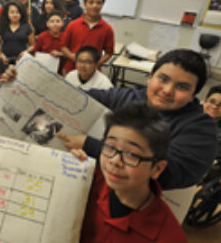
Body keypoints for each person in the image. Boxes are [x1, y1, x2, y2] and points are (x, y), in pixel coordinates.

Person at [2, 49, 217, 190]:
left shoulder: (200, 129)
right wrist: (21, 80)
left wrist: (92, 145)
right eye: (163, 79)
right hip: (91, 186)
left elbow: (169, 173)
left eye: (182, 87)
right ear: (150, 77)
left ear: (194, 95)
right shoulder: (130, 96)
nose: (167, 90)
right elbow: (73, 97)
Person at [72, 103, 187, 243]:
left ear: (157, 169)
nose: (114, 160)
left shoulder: (168, 237)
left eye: (132, 154)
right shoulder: (90, 180)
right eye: (109, 147)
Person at [61, 0, 114, 73]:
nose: (94, 6)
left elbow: (109, 52)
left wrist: (97, 62)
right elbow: (63, 46)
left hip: (93, 72)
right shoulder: (73, 25)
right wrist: (72, 56)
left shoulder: (107, 29)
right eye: (91, 2)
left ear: (102, 5)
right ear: (85, 4)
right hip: (71, 70)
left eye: (98, 3)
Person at [0, 0, 34, 64]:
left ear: (21, 14)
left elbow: (33, 46)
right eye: (12, 12)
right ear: (7, 13)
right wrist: (1, 55)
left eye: (18, 12)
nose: (15, 15)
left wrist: (26, 52)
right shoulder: (2, 26)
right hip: (5, 60)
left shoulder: (27, 27)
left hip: (22, 60)